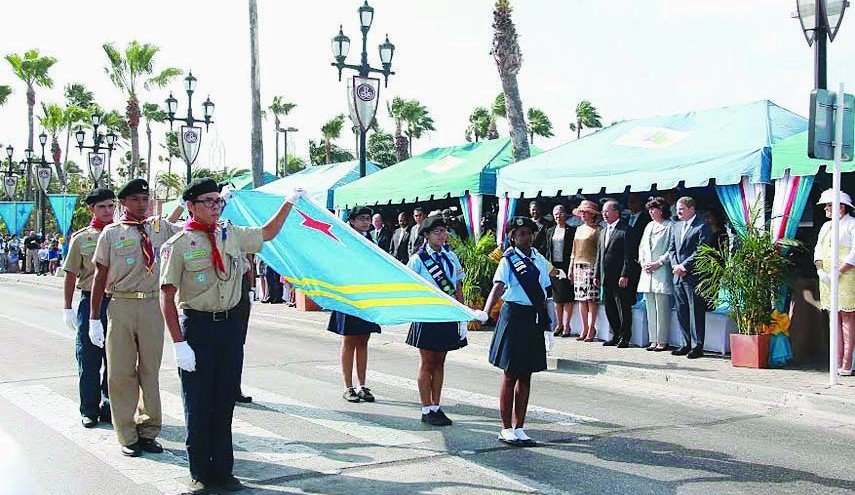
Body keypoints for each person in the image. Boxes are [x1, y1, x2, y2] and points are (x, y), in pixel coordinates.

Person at [160, 179, 298, 494]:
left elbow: (267, 232)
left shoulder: (231, 234)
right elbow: (167, 296)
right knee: (197, 402)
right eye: (206, 201)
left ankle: (223, 470)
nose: (214, 206)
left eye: (217, 201)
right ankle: (199, 471)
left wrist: (289, 202)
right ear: (191, 206)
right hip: (197, 328)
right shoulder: (178, 244)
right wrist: (179, 343)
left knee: (224, 401)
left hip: (229, 327)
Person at [89, 178, 182, 457]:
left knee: (150, 371)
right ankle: (127, 435)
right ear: (124, 203)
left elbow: (188, 232)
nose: (142, 204)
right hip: (121, 304)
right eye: (136, 200)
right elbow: (99, 275)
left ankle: (149, 430)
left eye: (145, 199)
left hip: (152, 304)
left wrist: (220, 203)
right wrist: (94, 318)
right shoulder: (111, 233)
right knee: (121, 372)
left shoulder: (159, 227)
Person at [483, 217, 551, 447]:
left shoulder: (539, 260)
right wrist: (485, 311)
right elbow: (499, 286)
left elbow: (544, 293)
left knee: (527, 373)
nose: (525, 237)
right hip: (513, 317)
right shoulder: (508, 260)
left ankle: (520, 426)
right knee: (510, 373)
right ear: (512, 236)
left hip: (532, 317)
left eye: (528, 233)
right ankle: (505, 428)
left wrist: (549, 324)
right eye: (520, 233)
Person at [62, 188, 116, 428]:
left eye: (111, 206)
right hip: (90, 301)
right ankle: (89, 409)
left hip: (117, 302)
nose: (108, 211)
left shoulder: (120, 233)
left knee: (115, 357)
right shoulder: (82, 238)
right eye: (102, 206)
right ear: (91, 209)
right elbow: (70, 274)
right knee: (89, 358)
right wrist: (67, 307)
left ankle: (109, 405)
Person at [406, 215, 468, 426]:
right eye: (437, 232)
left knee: (440, 362)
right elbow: (410, 287)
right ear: (426, 235)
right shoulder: (418, 259)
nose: (442, 235)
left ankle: (436, 405)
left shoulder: (451, 257)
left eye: (443, 231)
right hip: (427, 315)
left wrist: (462, 313)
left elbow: (458, 286)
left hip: (447, 315)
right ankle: (425, 407)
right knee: (427, 362)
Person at [329, 207, 381, 403]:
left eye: (368, 219)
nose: (366, 222)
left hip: (366, 296)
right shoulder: (343, 240)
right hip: (348, 296)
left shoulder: (369, 241)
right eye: (361, 219)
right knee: (349, 341)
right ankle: (348, 386)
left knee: (364, 340)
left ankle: (362, 385)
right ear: (351, 221)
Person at [814, 189, 855, 376]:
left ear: (842, 207)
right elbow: (818, 250)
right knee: (833, 318)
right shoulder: (825, 227)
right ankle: (835, 360)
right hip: (828, 277)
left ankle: (847, 362)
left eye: (829, 205)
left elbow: (854, 252)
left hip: (847, 276)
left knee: (847, 318)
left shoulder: (852, 225)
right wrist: (820, 269)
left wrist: (839, 271)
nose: (826, 209)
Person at [667, 196, 712, 359]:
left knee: (695, 311)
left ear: (691, 209)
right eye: (677, 209)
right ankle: (685, 343)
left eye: (681, 209)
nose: (678, 212)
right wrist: (675, 265)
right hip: (678, 275)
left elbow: (701, 250)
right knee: (681, 310)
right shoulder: (676, 226)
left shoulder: (702, 226)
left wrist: (684, 266)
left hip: (693, 276)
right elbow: (671, 249)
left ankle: (697, 345)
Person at [595, 200, 634, 348]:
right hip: (606, 276)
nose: (604, 214)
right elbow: (600, 254)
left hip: (619, 276)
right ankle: (615, 334)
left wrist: (625, 274)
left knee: (622, 307)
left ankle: (625, 337)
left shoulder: (625, 230)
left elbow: (628, 255)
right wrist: (597, 274)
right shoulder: (603, 230)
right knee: (609, 307)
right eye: (603, 211)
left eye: (607, 211)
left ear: (616, 212)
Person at [637, 197, 674, 352]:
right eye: (650, 209)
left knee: (662, 308)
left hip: (662, 271)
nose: (651, 212)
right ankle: (653, 340)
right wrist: (643, 262)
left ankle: (663, 340)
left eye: (654, 208)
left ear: (661, 210)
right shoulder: (649, 226)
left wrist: (659, 263)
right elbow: (642, 247)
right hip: (647, 272)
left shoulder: (670, 226)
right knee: (650, 307)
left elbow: (671, 248)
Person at [569, 200, 601, 341]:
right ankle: (585, 327)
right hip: (578, 266)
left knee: (591, 299)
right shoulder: (578, 229)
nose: (583, 215)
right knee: (581, 299)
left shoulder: (598, 230)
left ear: (592, 214)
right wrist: (570, 267)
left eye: (586, 213)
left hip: (591, 265)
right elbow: (574, 251)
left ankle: (592, 328)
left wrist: (598, 270)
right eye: (582, 212)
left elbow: (600, 251)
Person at [544, 204, 575, 337]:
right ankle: (559, 324)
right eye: (556, 214)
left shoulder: (571, 230)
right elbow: (547, 249)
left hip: (566, 265)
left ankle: (567, 325)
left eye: (560, 213)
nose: (558, 216)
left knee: (567, 298)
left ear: (565, 214)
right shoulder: (550, 230)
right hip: (554, 267)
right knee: (557, 298)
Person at [625, 193, 651, 298]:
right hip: (627, 258)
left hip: (639, 258)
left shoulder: (646, 218)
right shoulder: (626, 218)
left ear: (640, 202)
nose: (630, 204)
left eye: (633, 201)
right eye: (629, 201)